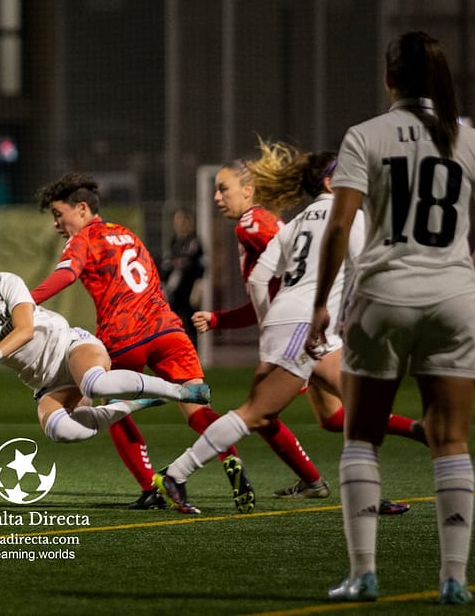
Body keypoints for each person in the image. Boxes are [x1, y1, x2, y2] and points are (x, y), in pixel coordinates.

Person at [306, 31, 475, 605]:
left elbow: (340, 226)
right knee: (451, 441)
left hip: (383, 296)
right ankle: (454, 580)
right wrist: (459, 273)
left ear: (389, 78)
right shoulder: (471, 140)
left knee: (361, 437)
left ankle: (363, 575)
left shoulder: (365, 135)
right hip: (453, 300)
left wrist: (321, 302)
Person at [154, 148, 422, 517]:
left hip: (298, 324)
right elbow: (367, 272)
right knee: (255, 413)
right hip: (305, 326)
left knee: (360, 406)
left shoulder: (297, 223)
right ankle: (176, 474)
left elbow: (260, 278)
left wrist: (272, 323)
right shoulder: (349, 216)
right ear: (330, 181)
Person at [31, 173, 255, 515]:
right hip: (168, 330)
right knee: (196, 408)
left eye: (59, 215)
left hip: (124, 337)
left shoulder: (83, 238)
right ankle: (231, 460)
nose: (56, 224)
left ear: (81, 209)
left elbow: (66, 274)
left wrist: (26, 301)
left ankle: (150, 487)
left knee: (113, 408)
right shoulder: (129, 235)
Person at [0, 233, 212, 483]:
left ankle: (179, 391)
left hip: (70, 347)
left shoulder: (4, 282)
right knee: (60, 430)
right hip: (47, 384)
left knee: (94, 385)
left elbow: (25, 330)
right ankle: (132, 405)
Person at [191, 149, 332, 502]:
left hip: (298, 333)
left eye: (223, 189)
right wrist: (219, 319)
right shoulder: (259, 223)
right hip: (308, 326)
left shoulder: (251, 224)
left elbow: (287, 282)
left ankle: (177, 474)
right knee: (334, 417)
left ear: (248, 189)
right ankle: (321, 482)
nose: (217, 197)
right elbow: (272, 294)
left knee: (261, 413)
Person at [159, 208, 206, 344]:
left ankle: (193, 351)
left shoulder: (195, 243)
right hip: (173, 292)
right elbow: (166, 266)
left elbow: (200, 268)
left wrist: (197, 289)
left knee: (190, 325)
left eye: (183, 221)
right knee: (172, 324)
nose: (180, 224)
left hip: (188, 291)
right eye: (177, 221)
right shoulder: (174, 242)